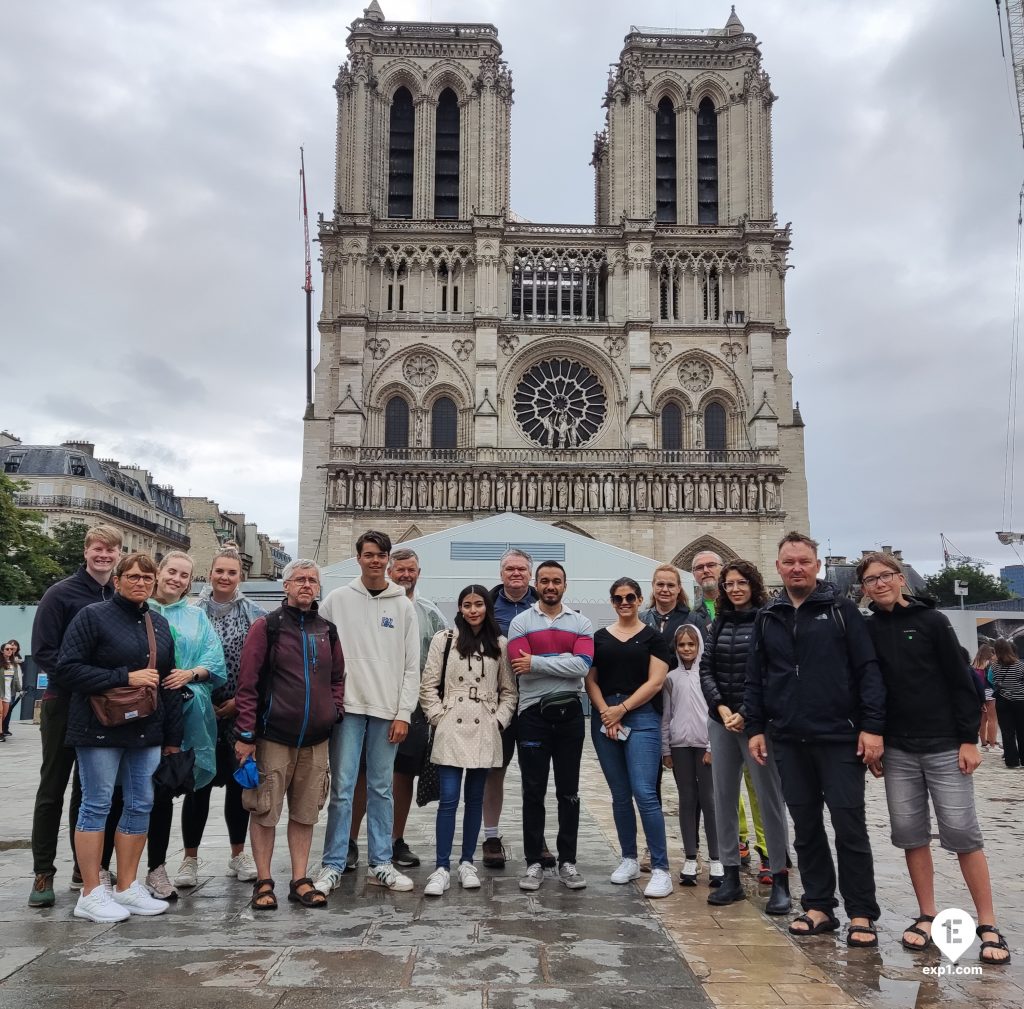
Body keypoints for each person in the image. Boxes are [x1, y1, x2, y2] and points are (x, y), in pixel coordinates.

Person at [859, 552, 1010, 965]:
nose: (879, 584)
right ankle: (927, 914)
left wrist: (968, 740)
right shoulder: (867, 629)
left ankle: (988, 922)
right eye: (871, 579)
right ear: (864, 588)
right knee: (911, 835)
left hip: (944, 744)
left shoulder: (933, 622)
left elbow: (963, 683)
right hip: (898, 749)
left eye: (886, 575)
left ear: (901, 579)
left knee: (963, 834)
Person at [746, 532, 885, 947]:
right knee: (805, 828)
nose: (797, 568)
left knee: (849, 826)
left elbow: (868, 671)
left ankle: (861, 911)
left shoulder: (842, 611)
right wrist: (755, 727)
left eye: (804, 561)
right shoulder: (767, 616)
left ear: (817, 564)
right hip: (788, 737)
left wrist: (872, 726)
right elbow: (757, 678)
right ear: (778, 567)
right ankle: (819, 904)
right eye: (789, 562)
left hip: (840, 737)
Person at [56, 552, 183, 922]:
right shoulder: (92, 616)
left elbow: (167, 682)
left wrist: (172, 736)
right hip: (99, 727)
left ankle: (127, 886)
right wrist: (124, 677)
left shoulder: (157, 623)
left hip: (146, 729)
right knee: (96, 804)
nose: (140, 582)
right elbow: (68, 670)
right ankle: (92, 890)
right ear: (118, 579)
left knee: (140, 803)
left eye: (147, 577)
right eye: (133, 576)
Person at [234, 559, 345, 910]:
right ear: (286, 586)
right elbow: (247, 684)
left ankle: (300, 878)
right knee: (264, 809)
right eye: (299, 579)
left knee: (305, 811)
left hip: (315, 739)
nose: (306, 585)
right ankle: (264, 881)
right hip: (273, 737)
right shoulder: (267, 627)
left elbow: (338, 677)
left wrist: (334, 710)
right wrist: (246, 734)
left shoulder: (327, 629)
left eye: (313, 580)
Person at [314, 530, 419, 895]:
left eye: (381, 556)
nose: (375, 561)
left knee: (381, 788)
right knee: (342, 790)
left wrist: (404, 712)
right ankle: (332, 863)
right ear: (358, 557)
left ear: (388, 560)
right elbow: (319, 654)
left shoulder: (403, 605)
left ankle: (381, 862)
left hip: (387, 711)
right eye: (369, 554)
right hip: (347, 710)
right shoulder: (336, 601)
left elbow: (411, 666)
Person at [28, 524, 124, 909]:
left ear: (119, 554)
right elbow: (45, 652)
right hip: (65, 701)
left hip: (102, 705)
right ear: (86, 552)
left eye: (111, 550)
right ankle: (42, 872)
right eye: (97, 549)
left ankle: (85, 868)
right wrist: (93, 681)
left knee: (89, 792)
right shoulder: (60, 594)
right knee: (52, 788)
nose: (104, 555)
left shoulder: (118, 596)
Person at [701, 560, 791, 915]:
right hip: (722, 721)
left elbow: (773, 674)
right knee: (723, 798)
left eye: (741, 583)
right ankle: (731, 877)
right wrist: (721, 708)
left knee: (770, 798)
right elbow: (706, 669)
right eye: (729, 584)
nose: (735, 589)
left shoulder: (770, 622)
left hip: (757, 724)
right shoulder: (717, 622)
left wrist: (749, 714)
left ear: (754, 585)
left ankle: (780, 877)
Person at [419, 585, 517, 896]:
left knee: (475, 799)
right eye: (466, 604)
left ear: (487, 607)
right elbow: (428, 684)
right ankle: (441, 866)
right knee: (448, 799)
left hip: (484, 727)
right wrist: (438, 716)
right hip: (451, 724)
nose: (472, 610)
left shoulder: (500, 644)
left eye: (478, 604)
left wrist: (498, 720)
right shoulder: (444, 640)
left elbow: (509, 691)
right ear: (460, 608)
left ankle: (466, 862)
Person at [507, 560, 594, 892]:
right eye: (544, 581)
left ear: (565, 585)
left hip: (570, 715)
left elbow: (582, 665)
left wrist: (538, 662)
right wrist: (560, 662)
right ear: (536, 584)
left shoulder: (581, 622)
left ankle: (567, 862)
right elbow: (520, 667)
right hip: (532, 716)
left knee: (569, 792)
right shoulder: (520, 622)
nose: (550, 586)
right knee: (533, 791)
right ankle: (532, 863)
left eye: (556, 581)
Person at [144, 552, 227, 899]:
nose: (177, 579)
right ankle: (106, 868)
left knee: (164, 792)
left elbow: (214, 659)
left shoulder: (196, 616)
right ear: (158, 572)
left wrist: (190, 674)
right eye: (171, 571)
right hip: (140, 711)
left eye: (184, 575)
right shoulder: (139, 608)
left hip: (185, 712)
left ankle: (157, 867)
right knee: (128, 793)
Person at [182, 547, 265, 884]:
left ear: (239, 577)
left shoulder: (255, 614)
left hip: (238, 710)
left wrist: (237, 704)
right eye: (220, 571)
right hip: (197, 709)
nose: (225, 577)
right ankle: (189, 859)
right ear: (210, 572)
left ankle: (237, 854)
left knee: (237, 785)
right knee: (197, 785)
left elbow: (261, 666)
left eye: (232, 572)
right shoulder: (191, 612)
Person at [586, 577, 673, 897]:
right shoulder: (599, 637)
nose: (625, 602)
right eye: (618, 598)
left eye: (630, 597)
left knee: (644, 792)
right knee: (620, 794)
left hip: (641, 716)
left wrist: (620, 709)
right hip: (605, 716)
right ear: (612, 601)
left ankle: (661, 868)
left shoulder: (653, 638)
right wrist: (605, 711)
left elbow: (655, 682)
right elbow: (590, 679)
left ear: (639, 600)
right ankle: (629, 858)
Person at [483, 548, 547, 870]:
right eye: (510, 569)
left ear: (530, 574)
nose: (516, 573)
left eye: (522, 569)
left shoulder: (547, 606)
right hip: (497, 702)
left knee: (536, 775)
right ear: (501, 574)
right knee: (495, 768)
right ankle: (491, 836)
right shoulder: (486, 607)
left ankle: (538, 839)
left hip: (536, 701)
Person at [662, 624, 722, 887]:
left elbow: (715, 713)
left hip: (704, 745)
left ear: (699, 646)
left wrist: (711, 746)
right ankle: (689, 856)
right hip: (679, 745)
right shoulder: (671, 678)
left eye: (691, 644)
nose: (686, 649)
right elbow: (666, 715)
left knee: (709, 800)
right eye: (681, 645)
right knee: (686, 799)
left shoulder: (707, 676)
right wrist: (666, 748)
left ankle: (717, 859)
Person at [990, 638, 1024, 768]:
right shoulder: (1020, 665)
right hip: (1020, 701)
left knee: (1007, 731)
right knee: (1022, 730)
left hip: (1003, 701)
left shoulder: (994, 666)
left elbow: (993, 681)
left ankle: (1011, 761)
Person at [640, 564, 695, 642]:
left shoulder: (692, 619)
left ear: (679, 588)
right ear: (653, 585)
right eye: (660, 584)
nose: (665, 589)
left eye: (670, 585)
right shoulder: (640, 619)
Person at [972, 644, 999, 751]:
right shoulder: (989, 663)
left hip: (979, 692)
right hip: (989, 692)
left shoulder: (975, 663)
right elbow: (991, 679)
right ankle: (992, 744)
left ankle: (984, 744)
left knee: (983, 720)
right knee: (993, 719)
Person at [690, 551, 723, 635]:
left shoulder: (738, 604)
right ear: (693, 574)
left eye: (711, 565)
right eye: (699, 567)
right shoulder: (689, 611)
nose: (705, 570)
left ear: (723, 569)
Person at [0, 640, 19, 741]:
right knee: (0, 712)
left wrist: (20, 689)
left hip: (8, 692)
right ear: (2, 651)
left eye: (11, 649)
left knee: (4, 714)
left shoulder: (13, 664)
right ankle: (0, 733)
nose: (9, 651)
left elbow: (15, 679)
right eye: (7, 649)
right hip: (0, 691)